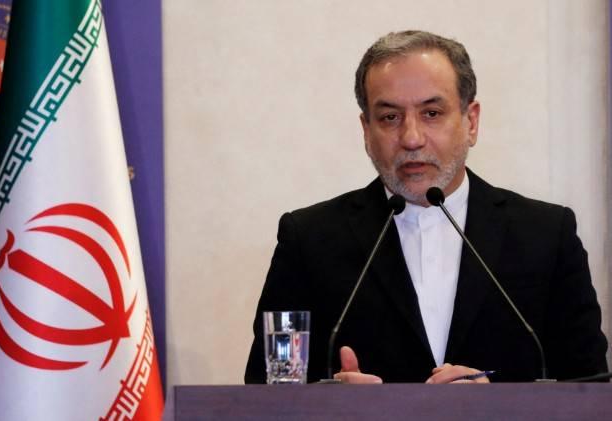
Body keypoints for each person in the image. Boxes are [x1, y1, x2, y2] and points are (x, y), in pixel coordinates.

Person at [245, 30, 608, 384]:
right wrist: (335, 403)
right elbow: (269, 388)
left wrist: (497, 405)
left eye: (431, 113)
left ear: (471, 121)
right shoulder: (309, 240)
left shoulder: (546, 235)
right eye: (390, 117)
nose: (411, 138)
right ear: (366, 130)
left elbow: (591, 389)